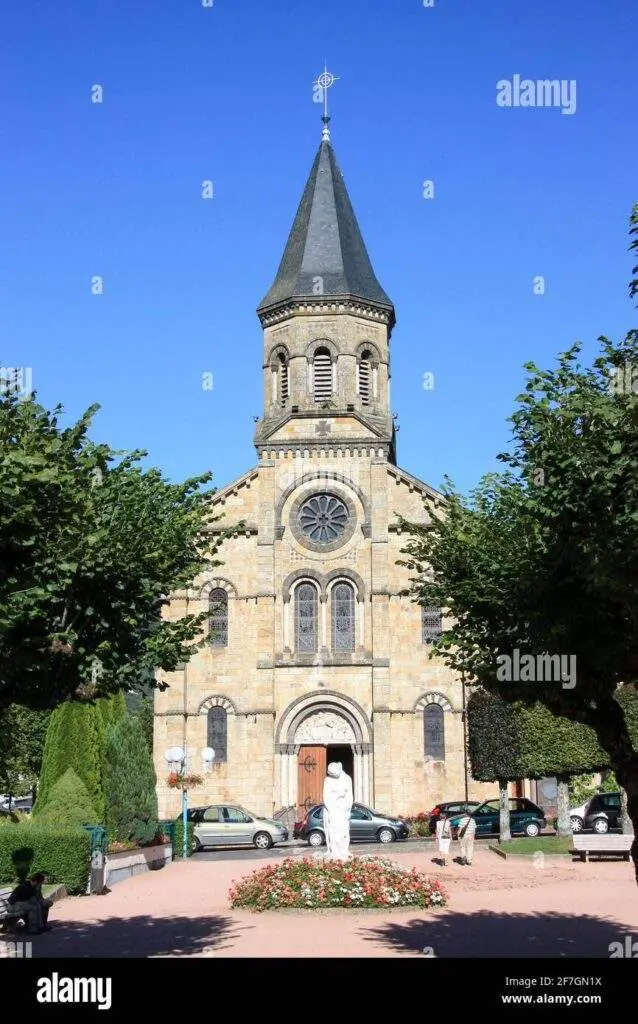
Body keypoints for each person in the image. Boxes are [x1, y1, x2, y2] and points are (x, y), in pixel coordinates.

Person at [322, 761, 353, 860]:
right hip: (332, 809)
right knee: (332, 831)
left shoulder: (347, 779)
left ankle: (344, 850)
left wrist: (348, 809)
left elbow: (349, 796)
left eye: (334, 774)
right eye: (331, 774)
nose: (332, 775)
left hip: (343, 809)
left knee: (344, 831)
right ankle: (334, 851)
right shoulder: (328, 780)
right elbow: (326, 797)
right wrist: (331, 810)